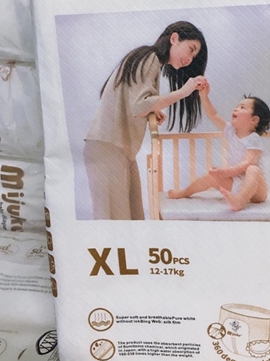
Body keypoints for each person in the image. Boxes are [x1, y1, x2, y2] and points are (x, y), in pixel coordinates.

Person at [84, 21, 208, 220]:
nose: (190, 59)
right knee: (117, 223)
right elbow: (139, 106)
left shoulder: (147, 58)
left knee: (132, 218)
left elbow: (132, 101)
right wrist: (183, 92)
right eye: (191, 49)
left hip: (115, 148)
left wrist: (153, 108)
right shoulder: (150, 58)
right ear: (174, 38)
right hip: (109, 147)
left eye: (194, 56)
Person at [168, 85, 270, 211]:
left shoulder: (253, 138)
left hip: (256, 190)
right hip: (235, 182)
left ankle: (239, 201)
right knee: (211, 176)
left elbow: (247, 163)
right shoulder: (230, 131)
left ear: (254, 120)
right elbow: (213, 115)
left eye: (242, 107)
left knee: (253, 169)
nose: (236, 108)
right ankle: (185, 192)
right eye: (237, 106)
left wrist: (226, 172)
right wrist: (204, 96)